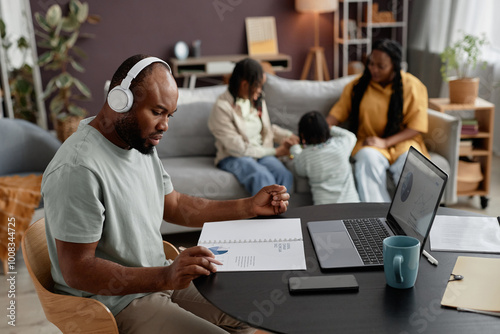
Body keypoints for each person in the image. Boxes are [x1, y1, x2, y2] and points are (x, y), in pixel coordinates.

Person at [41, 54, 291, 334]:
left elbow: (174, 204)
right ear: (118, 100)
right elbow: (77, 270)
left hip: (158, 279)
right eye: (157, 112)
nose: (165, 126)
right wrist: (165, 276)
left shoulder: (138, 143)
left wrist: (249, 207)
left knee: (249, 312)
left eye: (169, 115)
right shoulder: (78, 168)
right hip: (115, 304)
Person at [326, 39, 429, 202]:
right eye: (371, 63)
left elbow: (416, 126)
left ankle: (410, 221)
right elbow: (337, 114)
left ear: (394, 66)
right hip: (369, 142)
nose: (373, 69)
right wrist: (319, 129)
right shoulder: (357, 86)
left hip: (403, 142)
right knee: (367, 158)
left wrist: (386, 142)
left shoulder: (413, 86)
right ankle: (376, 217)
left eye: (381, 66)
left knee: (412, 163)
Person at [208, 58, 299, 196]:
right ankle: (267, 216)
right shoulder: (221, 107)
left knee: (284, 175)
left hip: (260, 154)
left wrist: (288, 136)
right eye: (258, 85)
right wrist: (275, 152)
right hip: (234, 156)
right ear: (245, 84)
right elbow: (239, 148)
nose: (260, 90)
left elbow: (267, 129)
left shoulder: (257, 100)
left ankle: (278, 215)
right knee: (262, 177)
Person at [289, 111, 359, 205]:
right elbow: (351, 136)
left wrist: (294, 148)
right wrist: (330, 127)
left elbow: (300, 170)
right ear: (326, 128)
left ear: (302, 134)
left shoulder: (305, 156)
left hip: (324, 208)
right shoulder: (341, 145)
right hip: (351, 204)